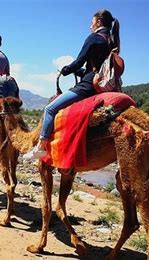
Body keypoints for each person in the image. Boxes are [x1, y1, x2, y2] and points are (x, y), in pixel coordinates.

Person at [23, 10, 120, 160]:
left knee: (50, 109)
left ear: (99, 22)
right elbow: (96, 69)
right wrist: (80, 71)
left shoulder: (94, 37)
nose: (90, 26)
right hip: (100, 86)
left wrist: (66, 70)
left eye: (92, 22)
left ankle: (41, 147)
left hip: (87, 87)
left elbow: (79, 61)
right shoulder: (111, 41)